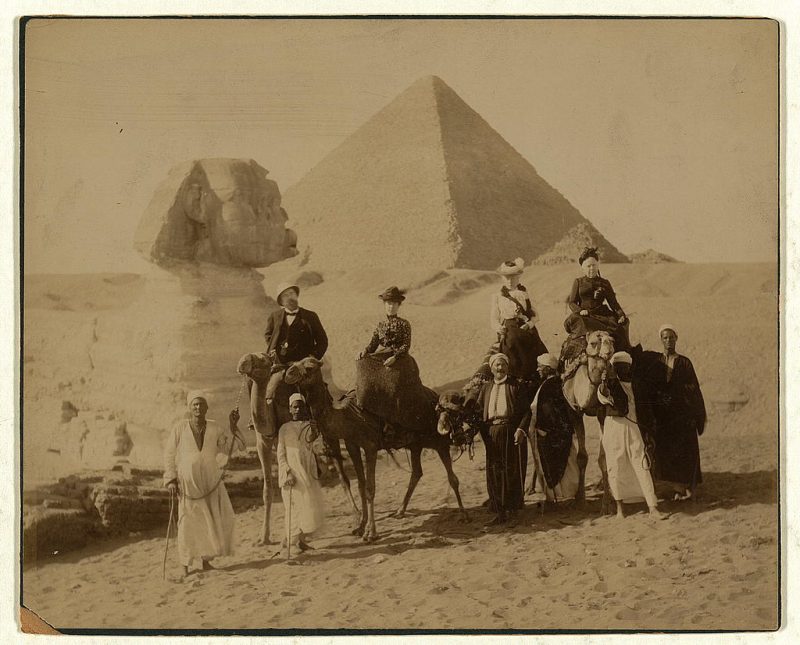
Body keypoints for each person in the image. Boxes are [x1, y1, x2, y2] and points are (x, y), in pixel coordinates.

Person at [163, 391, 237, 577]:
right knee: (187, 522)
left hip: (210, 481)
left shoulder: (214, 428)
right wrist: (171, 479)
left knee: (209, 520)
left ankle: (206, 561)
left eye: (201, 404)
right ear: (189, 407)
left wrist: (233, 427)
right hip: (188, 484)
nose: (198, 408)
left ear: (207, 408)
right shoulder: (179, 428)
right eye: (195, 405)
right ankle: (185, 566)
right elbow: (169, 454)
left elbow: (229, 448)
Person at [597, 353, 667, 520]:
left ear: (629, 367)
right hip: (614, 427)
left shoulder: (638, 385)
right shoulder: (610, 384)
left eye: (624, 366)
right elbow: (603, 395)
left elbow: (645, 410)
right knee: (615, 466)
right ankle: (620, 509)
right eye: (618, 366)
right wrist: (605, 381)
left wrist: (648, 432)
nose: (622, 370)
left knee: (641, 464)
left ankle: (652, 507)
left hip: (633, 427)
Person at [468, 353, 533, 527]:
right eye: (497, 365)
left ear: (507, 367)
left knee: (510, 470)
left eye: (503, 365)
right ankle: (499, 511)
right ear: (491, 368)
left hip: (510, 431)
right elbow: (479, 411)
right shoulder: (486, 387)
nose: (500, 368)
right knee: (494, 471)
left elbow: (526, 412)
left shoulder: (516, 386)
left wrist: (520, 429)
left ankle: (513, 511)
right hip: (491, 433)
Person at [356, 286, 428, 441]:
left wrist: (395, 357)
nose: (391, 306)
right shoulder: (380, 325)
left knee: (394, 385)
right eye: (388, 303)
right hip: (382, 357)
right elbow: (373, 343)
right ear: (384, 304)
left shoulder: (404, 324)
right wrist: (364, 351)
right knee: (365, 375)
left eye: (394, 303)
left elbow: (405, 345)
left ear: (399, 305)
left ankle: (397, 425)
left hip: (401, 360)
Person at [647, 324, 707, 501]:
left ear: (676, 339)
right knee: (667, 452)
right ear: (661, 340)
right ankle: (675, 488)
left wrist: (693, 412)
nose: (668, 341)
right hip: (664, 417)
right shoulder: (656, 363)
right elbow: (652, 387)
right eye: (665, 337)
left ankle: (689, 488)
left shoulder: (685, 362)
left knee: (686, 451)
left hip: (682, 415)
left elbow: (694, 388)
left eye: (671, 337)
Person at [263, 282, 329, 419]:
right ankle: (262, 421)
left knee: (317, 394)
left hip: (304, 365)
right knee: (269, 391)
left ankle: (321, 422)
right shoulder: (274, 316)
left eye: (292, 294)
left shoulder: (310, 316)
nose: (290, 297)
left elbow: (323, 340)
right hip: (282, 365)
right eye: (286, 295)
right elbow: (268, 335)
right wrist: (273, 349)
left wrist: (312, 357)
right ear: (281, 300)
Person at [528, 353, 581, 502]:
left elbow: (552, 411)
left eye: (540, 367)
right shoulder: (548, 384)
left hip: (552, 433)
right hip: (550, 432)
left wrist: (546, 430)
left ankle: (564, 497)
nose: (538, 369)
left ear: (547, 369)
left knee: (561, 466)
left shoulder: (552, 385)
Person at [277, 393, 325, 555]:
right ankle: (292, 544)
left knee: (307, 506)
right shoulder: (284, 428)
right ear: (290, 409)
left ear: (304, 408)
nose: (297, 409)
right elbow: (281, 454)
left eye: (300, 406)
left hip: (307, 472)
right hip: (292, 474)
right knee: (293, 508)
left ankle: (302, 541)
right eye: (294, 406)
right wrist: (287, 472)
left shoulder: (308, 426)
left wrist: (313, 430)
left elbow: (312, 443)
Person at [489, 257, 548, 378]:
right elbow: (494, 318)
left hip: (525, 327)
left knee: (540, 352)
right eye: (507, 277)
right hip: (509, 329)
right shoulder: (498, 296)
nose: (510, 281)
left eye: (513, 277)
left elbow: (535, 314)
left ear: (518, 277)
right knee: (512, 343)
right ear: (502, 278)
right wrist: (499, 328)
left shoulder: (524, 293)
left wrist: (529, 324)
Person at [563, 247, 630, 350]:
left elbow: (613, 303)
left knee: (621, 326)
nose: (591, 268)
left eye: (594, 265)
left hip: (602, 316)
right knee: (581, 322)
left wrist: (621, 314)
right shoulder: (578, 282)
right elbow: (572, 302)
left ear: (598, 265)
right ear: (583, 268)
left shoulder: (605, 283)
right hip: (585, 316)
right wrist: (580, 311)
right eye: (588, 266)